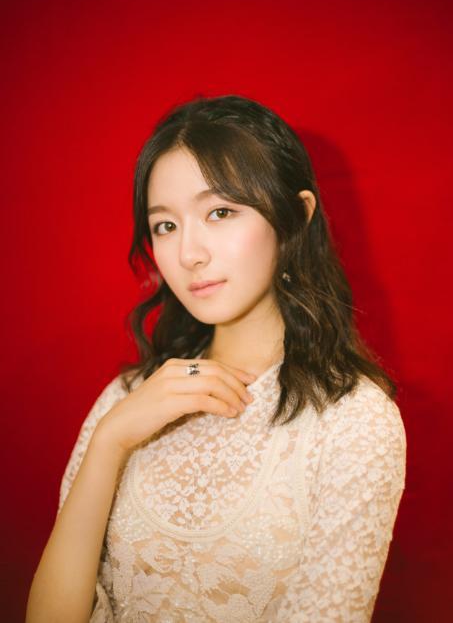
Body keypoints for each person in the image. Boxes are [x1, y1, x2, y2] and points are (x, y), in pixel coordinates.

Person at [26, 94, 406, 622]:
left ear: (296, 217)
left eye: (220, 212)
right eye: (165, 225)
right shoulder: (127, 399)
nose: (189, 254)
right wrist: (110, 441)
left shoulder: (353, 420)